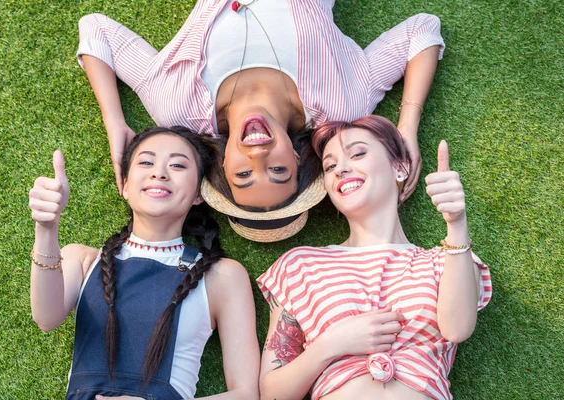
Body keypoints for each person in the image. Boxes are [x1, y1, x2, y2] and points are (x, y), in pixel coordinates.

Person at [76, 1, 444, 229]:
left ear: (223, 163)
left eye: (244, 173)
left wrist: (115, 123)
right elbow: (422, 29)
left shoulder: (178, 104)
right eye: (278, 170)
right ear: (298, 158)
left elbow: (96, 30)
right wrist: (406, 127)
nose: (258, 155)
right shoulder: (341, 102)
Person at [257, 115, 492, 399]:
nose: (341, 169)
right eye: (330, 165)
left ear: (400, 167)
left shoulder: (445, 261)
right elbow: (272, 394)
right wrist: (332, 344)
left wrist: (456, 224)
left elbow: (457, 329)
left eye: (358, 153)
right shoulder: (301, 266)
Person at [28, 127, 259, 399]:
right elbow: (46, 318)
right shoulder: (82, 260)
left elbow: (246, 393)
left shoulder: (222, 277)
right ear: (124, 185)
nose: (159, 172)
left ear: (199, 193)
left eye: (177, 165)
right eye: (146, 162)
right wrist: (46, 228)